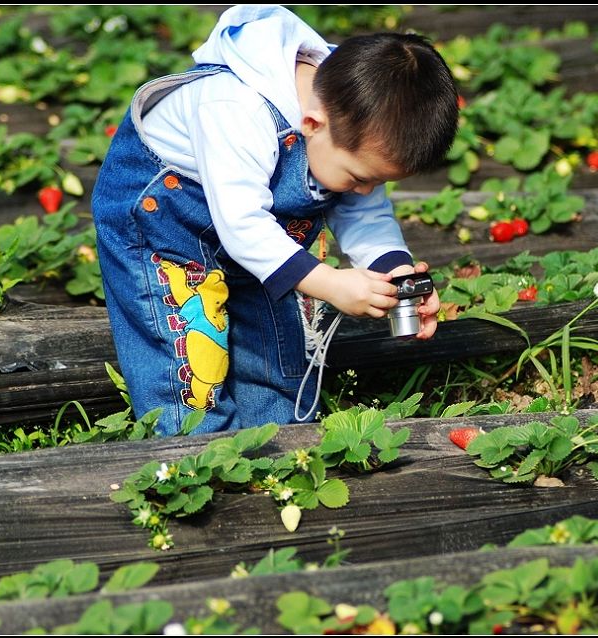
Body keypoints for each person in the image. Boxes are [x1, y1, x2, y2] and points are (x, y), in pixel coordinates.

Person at [92, 5, 457, 436]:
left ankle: (282, 441)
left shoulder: (352, 112)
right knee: (191, 358)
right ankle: (193, 459)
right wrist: (333, 283)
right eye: (360, 178)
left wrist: (392, 273)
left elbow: (365, 212)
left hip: (257, 233)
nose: (362, 190)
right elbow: (243, 225)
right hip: (164, 226)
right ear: (311, 123)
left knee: (276, 345)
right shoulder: (235, 106)